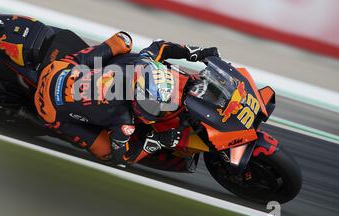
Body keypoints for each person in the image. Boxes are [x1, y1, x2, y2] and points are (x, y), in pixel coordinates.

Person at [34, 31, 219, 166]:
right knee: (106, 152)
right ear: (137, 104)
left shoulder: (142, 63)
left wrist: (196, 53)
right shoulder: (123, 122)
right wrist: (159, 140)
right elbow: (122, 158)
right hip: (49, 107)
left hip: (60, 69)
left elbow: (160, 46)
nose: (161, 109)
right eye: (156, 105)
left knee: (123, 41)